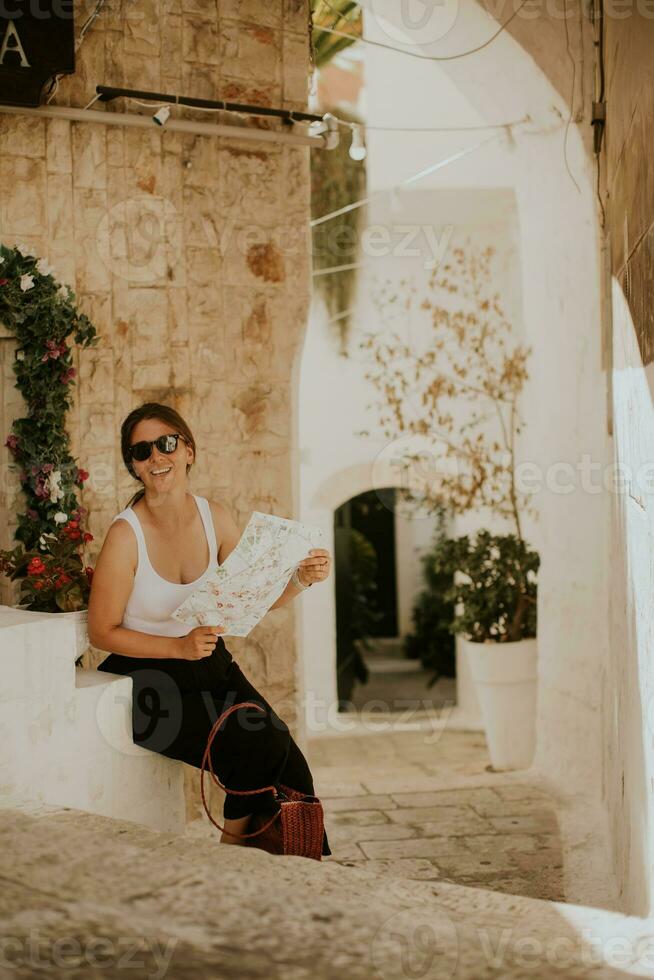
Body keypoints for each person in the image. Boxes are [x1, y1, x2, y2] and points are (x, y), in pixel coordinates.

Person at [88, 401, 333, 856]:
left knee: (288, 759)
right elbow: (101, 631)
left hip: (208, 663)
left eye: (165, 444)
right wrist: (177, 648)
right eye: (142, 452)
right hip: (145, 680)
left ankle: (287, 866)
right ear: (134, 467)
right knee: (250, 741)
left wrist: (300, 578)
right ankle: (232, 854)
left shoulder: (214, 517)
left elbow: (250, 599)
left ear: (188, 451)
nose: (156, 458)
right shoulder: (126, 535)